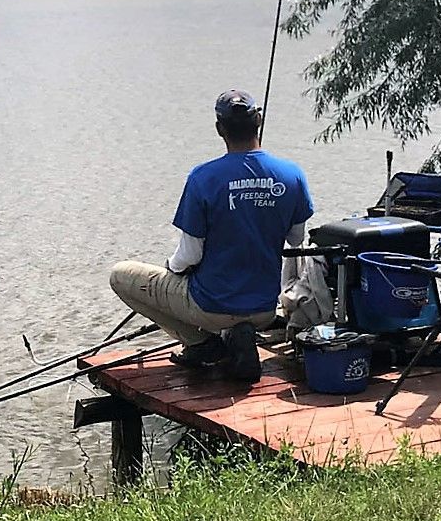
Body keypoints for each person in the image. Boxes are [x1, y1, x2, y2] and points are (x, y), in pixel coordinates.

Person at [110, 89, 314, 383]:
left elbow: (189, 256)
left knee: (120, 275)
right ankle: (238, 334)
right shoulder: (292, 174)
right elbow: (296, 239)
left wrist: (172, 269)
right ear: (259, 119)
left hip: (213, 308)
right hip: (265, 309)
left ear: (220, 129)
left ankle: (202, 344)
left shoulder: (203, 177)